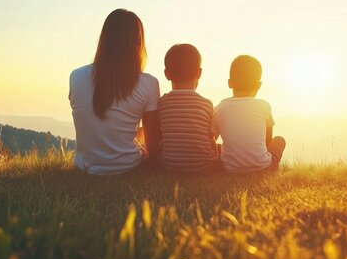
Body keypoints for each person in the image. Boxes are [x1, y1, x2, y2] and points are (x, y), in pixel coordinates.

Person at [69, 9, 160, 174]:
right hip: (129, 166)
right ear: (138, 42)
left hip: (84, 166)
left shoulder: (76, 76)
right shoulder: (149, 83)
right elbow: (153, 144)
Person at [211, 55, 286, 173]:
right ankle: (271, 167)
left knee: (220, 147)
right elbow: (267, 141)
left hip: (229, 170)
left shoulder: (220, 108)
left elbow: (212, 140)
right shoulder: (264, 106)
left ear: (229, 83)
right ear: (258, 85)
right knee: (279, 140)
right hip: (263, 168)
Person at [158, 44, 220, 172]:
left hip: (169, 165)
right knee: (216, 142)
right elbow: (209, 137)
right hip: (204, 166)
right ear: (199, 73)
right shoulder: (206, 104)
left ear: (166, 74)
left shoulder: (161, 103)